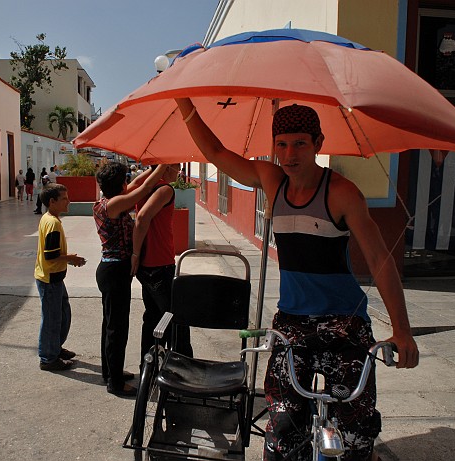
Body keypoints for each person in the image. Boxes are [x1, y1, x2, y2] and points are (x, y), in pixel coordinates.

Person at [176, 98, 419, 461]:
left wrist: (402, 329)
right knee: (283, 432)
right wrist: (184, 101)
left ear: (319, 143)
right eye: (282, 144)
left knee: (355, 435)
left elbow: (379, 259)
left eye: (300, 143)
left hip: (345, 325)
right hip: (292, 325)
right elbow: (213, 150)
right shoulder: (271, 180)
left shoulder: (342, 193)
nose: (289, 154)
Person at [93, 162, 167, 397]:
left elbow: (137, 184)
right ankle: (115, 383)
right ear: (121, 184)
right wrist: (163, 166)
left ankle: (110, 372)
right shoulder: (114, 204)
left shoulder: (107, 200)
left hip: (110, 270)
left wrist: (156, 167)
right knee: (117, 328)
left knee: (110, 325)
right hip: (115, 273)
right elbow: (142, 189)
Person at [131, 163, 193, 367]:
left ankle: (148, 364)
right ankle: (182, 366)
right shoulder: (164, 189)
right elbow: (142, 217)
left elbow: (129, 190)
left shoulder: (145, 186)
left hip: (150, 265)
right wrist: (135, 253)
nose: (179, 170)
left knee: (153, 316)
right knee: (176, 318)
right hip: (159, 263)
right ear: (166, 167)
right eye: (176, 166)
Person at [35, 183, 87, 371]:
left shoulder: (49, 218)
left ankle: (54, 347)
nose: (69, 202)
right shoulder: (53, 223)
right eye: (64, 199)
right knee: (52, 319)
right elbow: (50, 254)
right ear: (52, 201)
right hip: (49, 279)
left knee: (63, 314)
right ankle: (48, 358)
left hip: (54, 277)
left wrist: (67, 259)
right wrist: (71, 259)